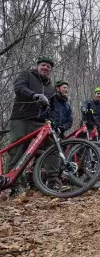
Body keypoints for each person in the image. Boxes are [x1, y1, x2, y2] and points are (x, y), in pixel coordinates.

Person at [7, 56, 58, 195]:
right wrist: (35, 95)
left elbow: (52, 107)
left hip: (40, 122)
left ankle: (52, 180)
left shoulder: (50, 87)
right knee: (18, 149)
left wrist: (52, 121)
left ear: (51, 71)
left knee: (52, 146)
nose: (46, 68)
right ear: (37, 66)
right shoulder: (27, 75)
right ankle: (12, 184)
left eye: (48, 67)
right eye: (43, 65)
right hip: (21, 118)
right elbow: (19, 88)